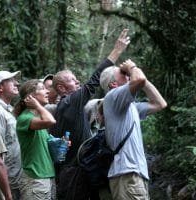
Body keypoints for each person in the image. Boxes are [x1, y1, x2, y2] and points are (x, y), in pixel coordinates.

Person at [49, 29, 130, 200]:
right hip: (74, 175)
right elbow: (94, 81)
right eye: (72, 79)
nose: (77, 81)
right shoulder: (70, 102)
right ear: (62, 89)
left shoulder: (65, 106)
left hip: (70, 173)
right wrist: (117, 51)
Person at [99, 59, 167, 200]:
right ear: (113, 84)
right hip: (127, 174)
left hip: (132, 174)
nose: (128, 75)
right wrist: (132, 67)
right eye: (123, 74)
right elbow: (139, 79)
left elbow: (160, 104)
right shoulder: (112, 97)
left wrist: (141, 77)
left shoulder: (131, 107)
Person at [14, 79, 57, 200]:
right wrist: (37, 106)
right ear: (31, 96)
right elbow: (51, 121)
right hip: (35, 178)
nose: (47, 91)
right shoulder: (25, 118)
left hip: (47, 176)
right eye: (42, 88)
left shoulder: (37, 118)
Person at [0, 70, 28, 199]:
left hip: (18, 175)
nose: (17, 83)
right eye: (11, 81)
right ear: (0, 87)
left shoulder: (10, 109)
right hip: (9, 177)